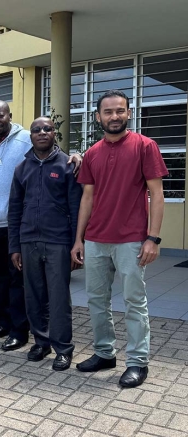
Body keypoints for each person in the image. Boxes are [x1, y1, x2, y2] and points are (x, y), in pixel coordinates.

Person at [71, 89, 168, 388]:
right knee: (97, 300)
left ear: (128, 113)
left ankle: (138, 362)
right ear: (98, 116)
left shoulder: (144, 146)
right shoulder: (92, 153)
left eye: (120, 111)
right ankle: (104, 353)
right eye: (108, 112)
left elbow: (157, 194)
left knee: (133, 302)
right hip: (97, 239)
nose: (115, 116)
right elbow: (87, 198)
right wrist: (79, 240)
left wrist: (153, 238)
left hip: (131, 240)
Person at [0, 100, 82, 352]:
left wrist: (79, 154)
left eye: (0, 116)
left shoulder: (43, 150)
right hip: (7, 230)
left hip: (43, 235)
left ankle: (43, 340)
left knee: (42, 292)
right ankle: (22, 332)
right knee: (13, 286)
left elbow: (75, 202)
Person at [8, 117, 82, 371]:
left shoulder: (67, 166)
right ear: (30, 136)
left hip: (58, 241)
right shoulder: (21, 168)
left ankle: (63, 348)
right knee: (34, 295)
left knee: (59, 297)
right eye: (36, 130)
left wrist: (76, 244)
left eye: (47, 129)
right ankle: (41, 342)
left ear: (54, 134)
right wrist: (14, 247)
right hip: (28, 241)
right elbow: (15, 210)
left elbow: (75, 207)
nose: (42, 133)